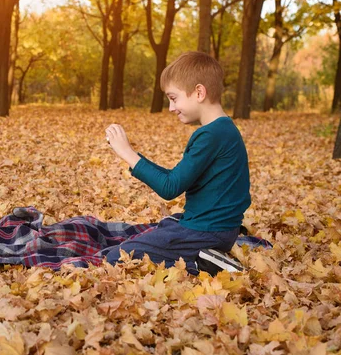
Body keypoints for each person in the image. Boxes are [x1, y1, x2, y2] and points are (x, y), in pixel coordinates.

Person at [104, 51, 251, 273]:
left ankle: (207, 263)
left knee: (117, 256)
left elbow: (169, 188)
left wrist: (127, 153)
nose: (171, 108)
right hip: (219, 229)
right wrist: (135, 157)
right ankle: (207, 254)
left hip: (208, 232)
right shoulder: (222, 129)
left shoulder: (211, 135)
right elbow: (176, 179)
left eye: (174, 98)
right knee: (166, 225)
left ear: (199, 92)